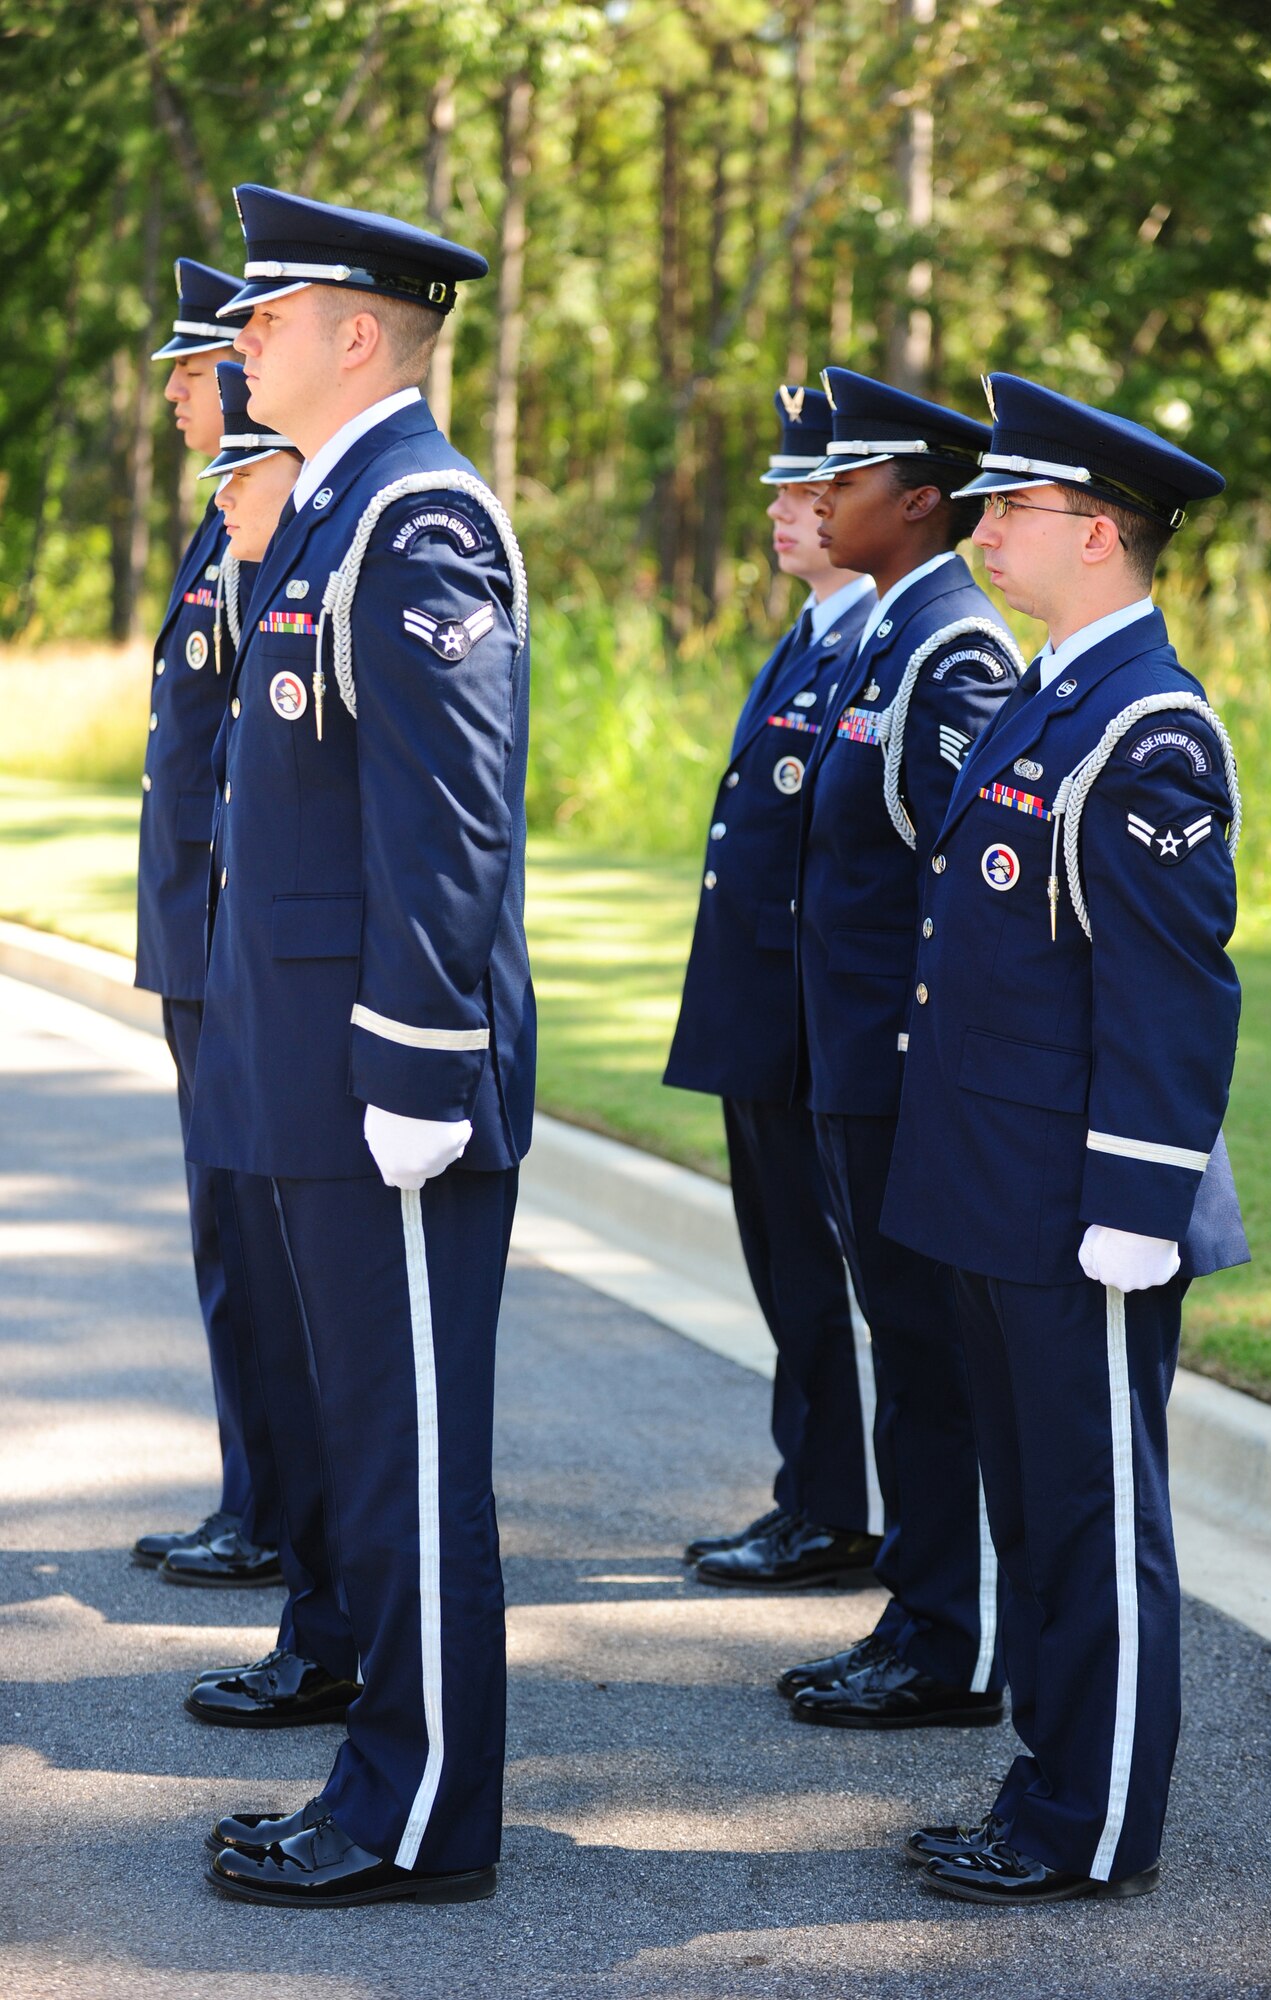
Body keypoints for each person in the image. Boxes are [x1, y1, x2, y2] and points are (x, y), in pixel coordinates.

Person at [189, 185, 535, 1908]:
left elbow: (449, 820)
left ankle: (414, 1818)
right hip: (314, 1068)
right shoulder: (333, 516)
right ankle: (382, 1782)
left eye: (265, 316)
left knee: (406, 1459)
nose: (241, 342)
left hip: (382, 1078)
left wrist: (414, 1059)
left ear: (355, 333)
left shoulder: (415, 521)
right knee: (365, 1445)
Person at [881, 373, 1247, 1904]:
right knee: (1032, 1514)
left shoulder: (1146, 726)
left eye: (1008, 509)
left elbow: (1169, 992)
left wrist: (1137, 1201)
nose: (980, 529)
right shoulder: (1046, 688)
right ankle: (1041, 1783)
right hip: (991, 1187)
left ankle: (1088, 1826)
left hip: (1075, 1204)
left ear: (1093, 533)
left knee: (1093, 1521)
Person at [775, 367, 1024, 1730]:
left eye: (847, 479)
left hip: (901, 1073)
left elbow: (968, 893)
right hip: (849, 1069)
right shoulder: (885, 632)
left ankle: (953, 1642)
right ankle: (918, 1611)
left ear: (917, 503)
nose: (819, 496)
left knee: (932, 1360)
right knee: (901, 1349)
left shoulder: (949, 651)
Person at [665, 384, 881, 1589]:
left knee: (821, 1272)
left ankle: (839, 1515)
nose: (782, 513)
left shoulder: (881, 643)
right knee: (782, 1272)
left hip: (815, 1026)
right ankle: (812, 1493)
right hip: (761, 1015)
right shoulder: (807, 636)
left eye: (809, 493)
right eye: (781, 493)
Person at [181, 360, 362, 1733]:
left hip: (329, 1041)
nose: (223, 498)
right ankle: (317, 1621)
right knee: (284, 1338)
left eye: (240, 469)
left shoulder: (380, 546)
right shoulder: (279, 569)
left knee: (332, 1363)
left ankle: (339, 1638)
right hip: (261, 1009)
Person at [132, 259, 282, 1591]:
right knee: (223, 1234)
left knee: (248, 1238)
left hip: (229, 938)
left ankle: (270, 1504)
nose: (174, 393)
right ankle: (255, 1490)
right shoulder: (224, 517)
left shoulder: (264, 522)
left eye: (189, 370)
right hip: (199, 936)